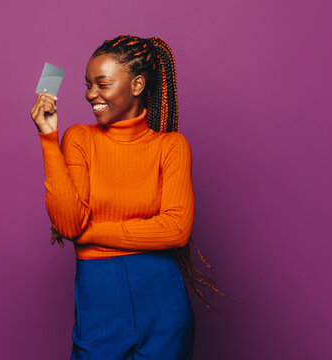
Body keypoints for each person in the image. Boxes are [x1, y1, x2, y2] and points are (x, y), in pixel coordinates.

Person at [30, 35, 227, 360]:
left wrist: (91, 234)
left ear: (136, 85)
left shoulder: (171, 146)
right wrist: (48, 138)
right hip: (100, 301)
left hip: (165, 305)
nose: (91, 94)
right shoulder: (78, 138)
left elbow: (175, 229)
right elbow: (68, 223)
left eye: (102, 84)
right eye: (88, 84)